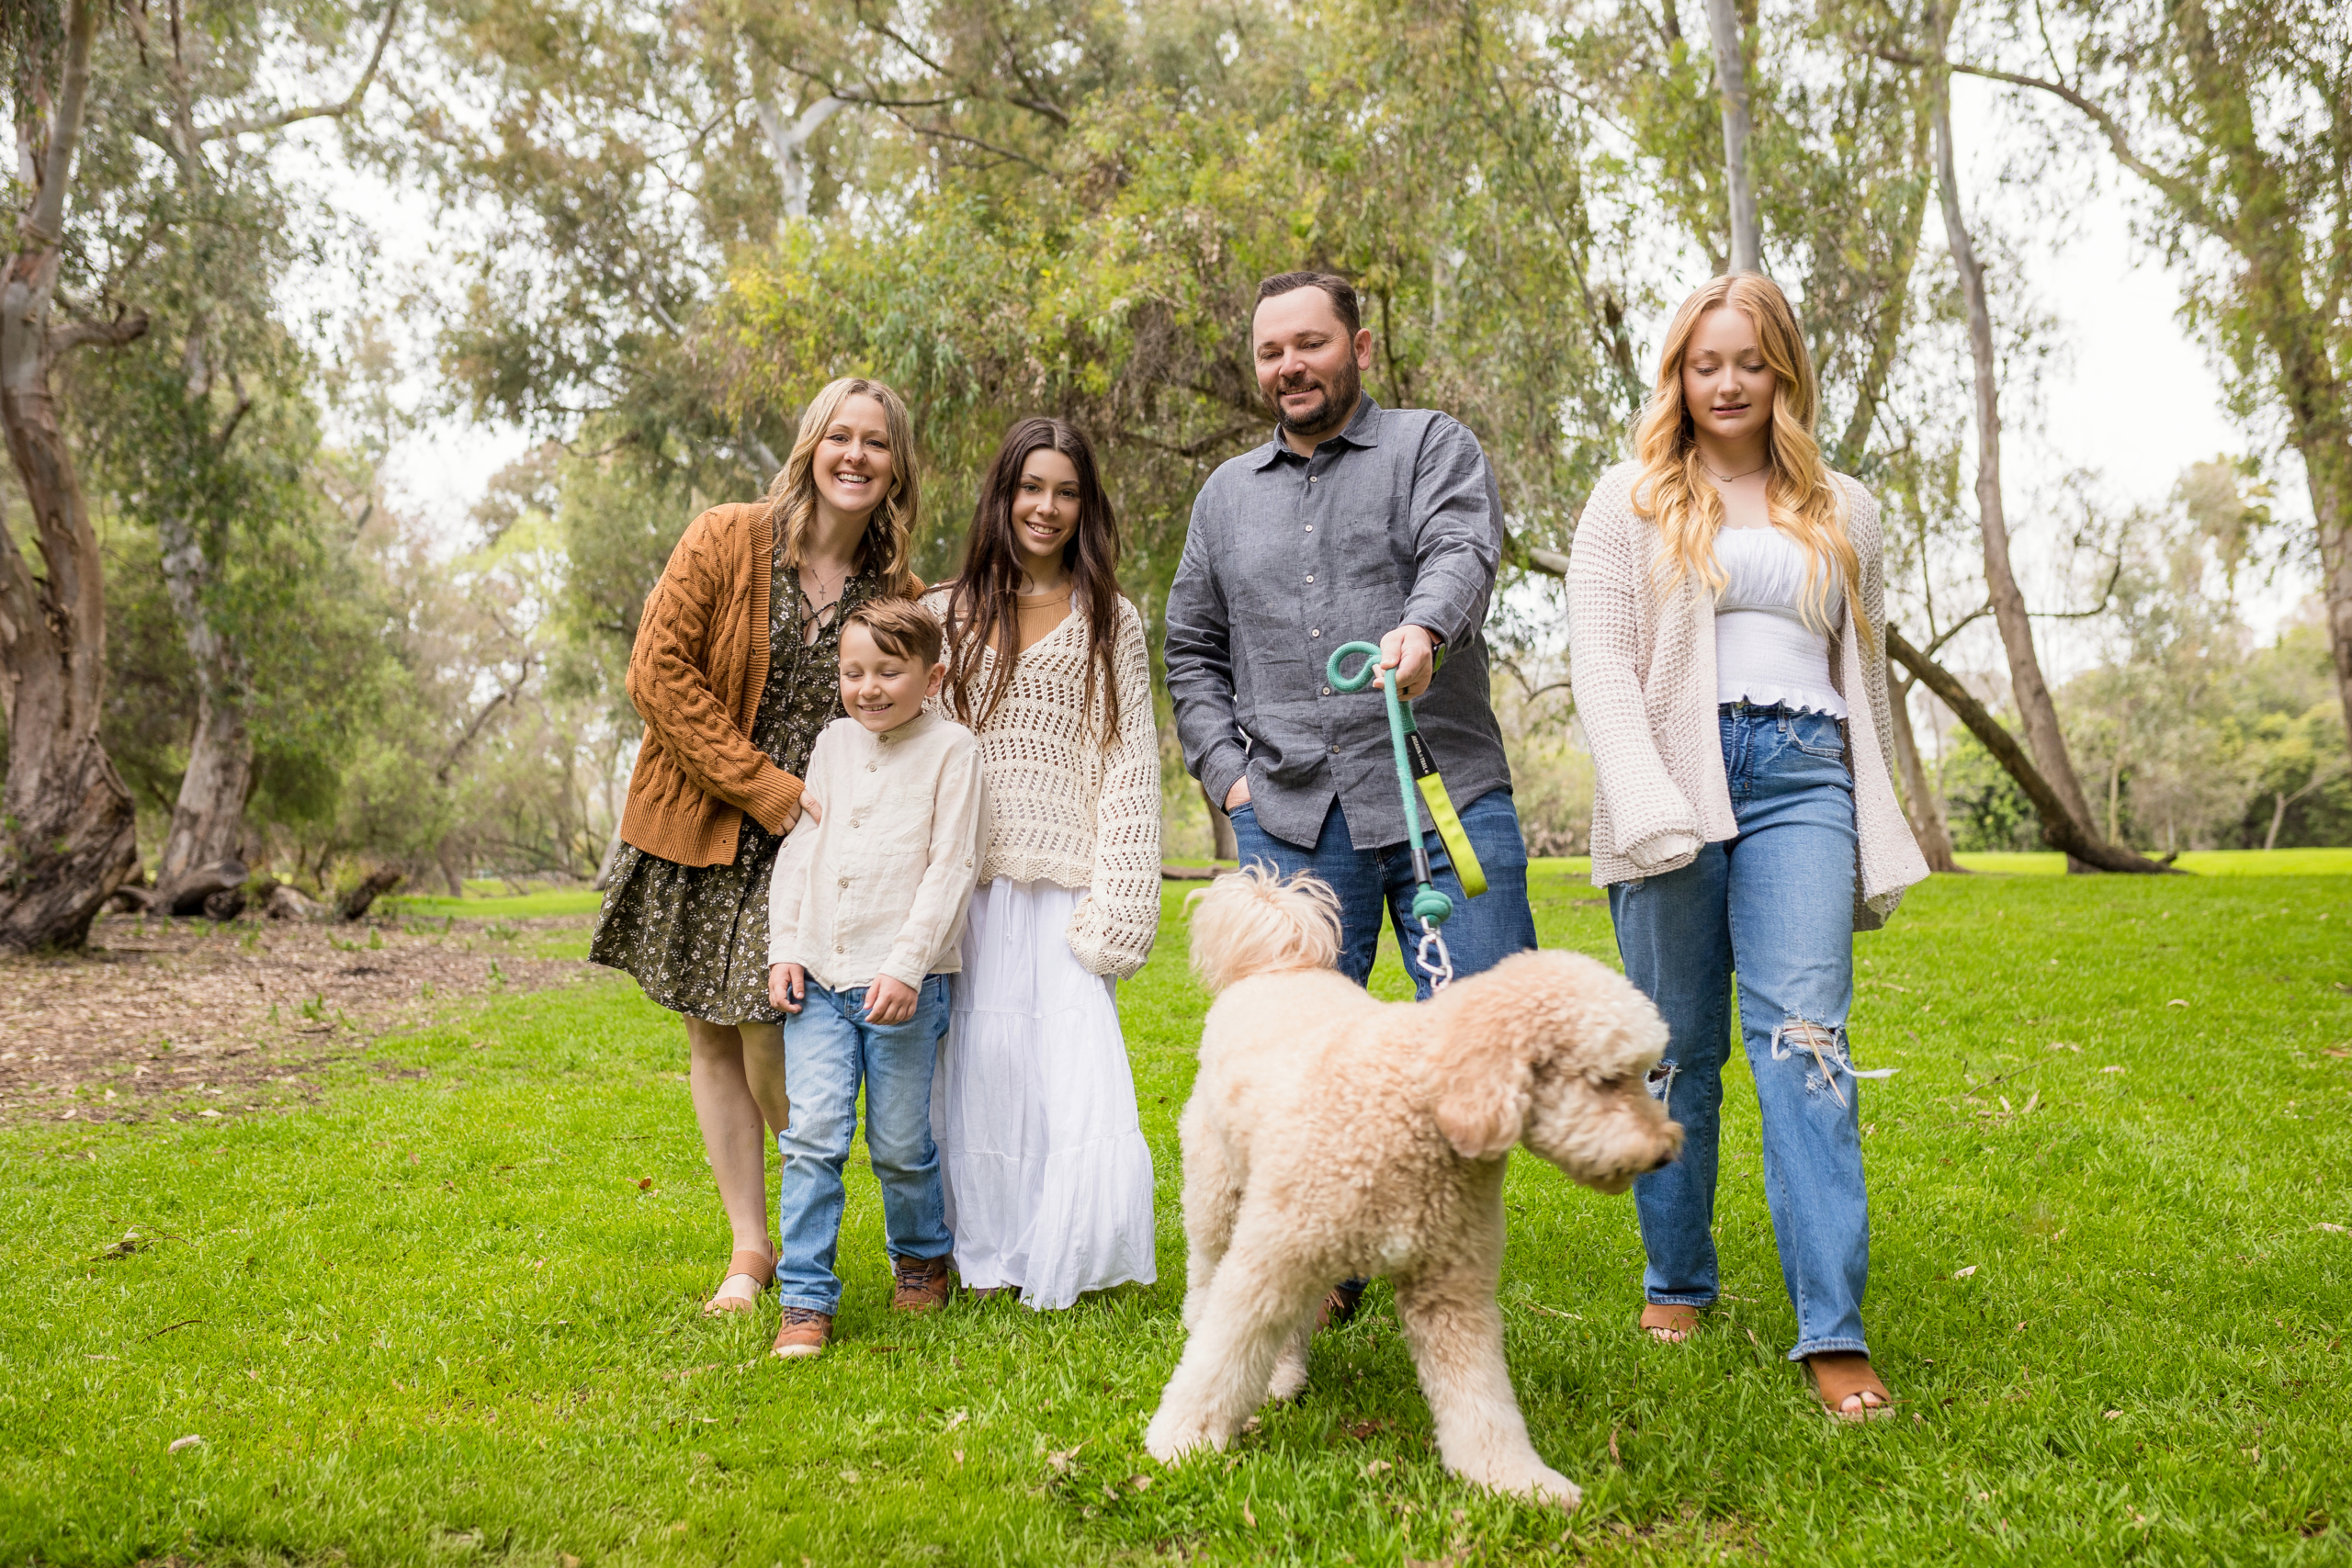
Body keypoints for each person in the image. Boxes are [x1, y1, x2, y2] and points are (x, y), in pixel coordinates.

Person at [1566, 272, 1930, 1418]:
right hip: (1674, 777)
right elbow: (1601, 670)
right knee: (1675, 1051)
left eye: (1749, 362)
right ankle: (1676, 1275)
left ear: (1784, 372)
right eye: (1703, 362)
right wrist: (1647, 805)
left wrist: (1880, 826)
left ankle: (1832, 1327)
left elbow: (1860, 684)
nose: (1726, 383)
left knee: (1807, 1045)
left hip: (1804, 777)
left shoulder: (1848, 510)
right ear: (1676, 374)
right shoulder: (1628, 499)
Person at [1164, 269, 1540, 1325]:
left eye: (1310, 344)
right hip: (1285, 814)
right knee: (1297, 1065)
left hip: (1440, 794)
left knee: (1478, 1049)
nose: (1289, 366)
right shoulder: (1224, 497)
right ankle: (1321, 1260)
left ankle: (1441, 1262)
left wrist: (1424, 629)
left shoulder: (1431, 447)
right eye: (1271, 350)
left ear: (1359, 348)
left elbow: (1465, 548)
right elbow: (1189, 645)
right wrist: (1224, 771)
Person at [590, 376, 924, 1319]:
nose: (856, 456)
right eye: (840, 437)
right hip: (705, 820)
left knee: (779, 1040)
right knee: (713, 1031)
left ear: (896, 467)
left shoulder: (891, 587)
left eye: (877, 443)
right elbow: (656, 674)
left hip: (812, 841)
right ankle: (752, 1249)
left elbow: (902, 705)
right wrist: (763, 789)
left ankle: (811, 1201)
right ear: (811, 446)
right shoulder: (729, 536)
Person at [926, 417, 1161, 1311]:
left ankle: (1061, 1248)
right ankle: (980, 1249)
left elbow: (1127, 761)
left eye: (1065, 491)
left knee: (1064, 1078)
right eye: (1032, 488)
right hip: (965, 886)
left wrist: (1123, 896)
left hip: (1064, 888)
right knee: (979, 1072)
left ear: (1084, 505)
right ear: (1003, 495)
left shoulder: (1112, 620)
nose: (1047, 507)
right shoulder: (941, 613)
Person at [764, 598, 987, 1359]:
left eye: (889, 671)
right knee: (813, 1137)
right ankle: (804, 1297)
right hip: (821, 978)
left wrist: (906, 964)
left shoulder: (953, 750)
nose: (868, 687)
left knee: (898, 1141)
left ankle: (922, 1255)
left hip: (903, 987)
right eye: (853, 671)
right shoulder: (831, 743)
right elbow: (802, 850)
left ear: (933, 675)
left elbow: (951, 866)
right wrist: (784, 948)